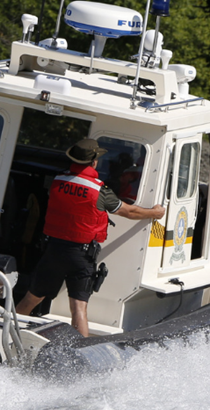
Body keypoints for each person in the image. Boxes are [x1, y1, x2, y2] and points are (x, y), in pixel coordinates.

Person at [15, 139, 165, 337]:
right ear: (93, 162)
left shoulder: (58, 180)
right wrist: (155, 213)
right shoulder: (99, 190)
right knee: (78, 307)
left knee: (32, 298)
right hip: (81, 255)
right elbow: (129, 211)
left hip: (53, 250)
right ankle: (80, 354)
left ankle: (7, 333)